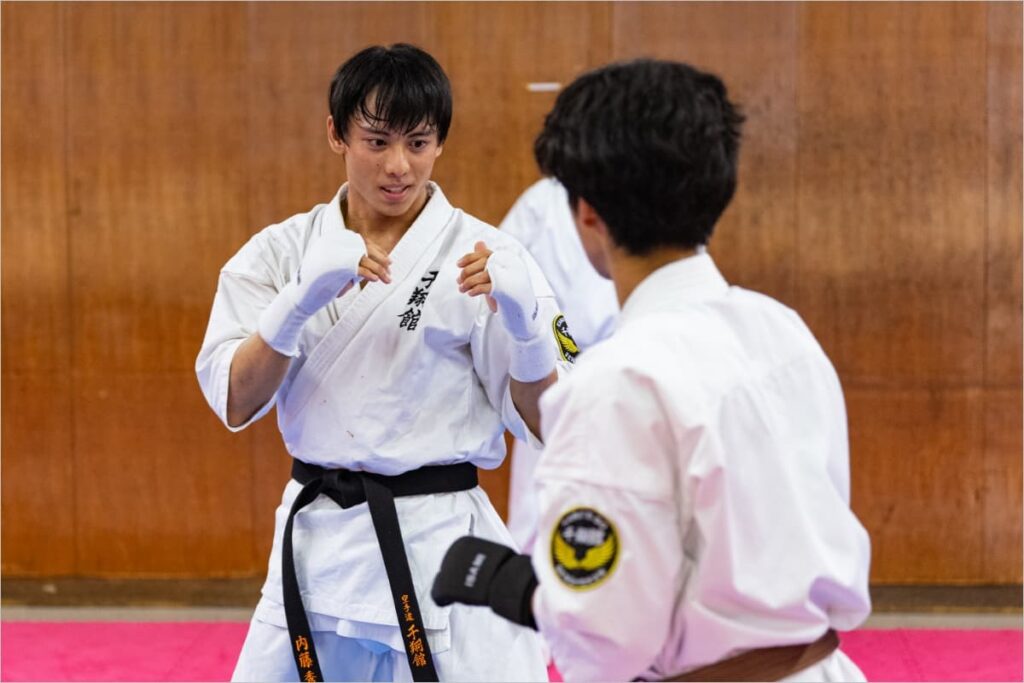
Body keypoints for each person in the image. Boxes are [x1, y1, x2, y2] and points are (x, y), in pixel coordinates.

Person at [432, 58, 872, 682]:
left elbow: (608, 636)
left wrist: (520, 590)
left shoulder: (616, 383)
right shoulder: (783, 332)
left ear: (587, 213)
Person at [196, 44, 564, 682]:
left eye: (418, 143)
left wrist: (529, 330)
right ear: (336, 134)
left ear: (440, 143)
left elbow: (552, 423)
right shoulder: (282, 253)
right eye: (377, 142)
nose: (398, 166)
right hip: (319, 540)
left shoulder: (486, 257)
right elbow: (233, 398)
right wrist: (296, 303)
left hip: (438, 537)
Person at [498, 178, 618, 553]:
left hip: (621, 372)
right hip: (551, 375)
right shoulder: (543, 200)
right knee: (536, 517)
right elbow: (502, 267)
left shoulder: (639, 181)